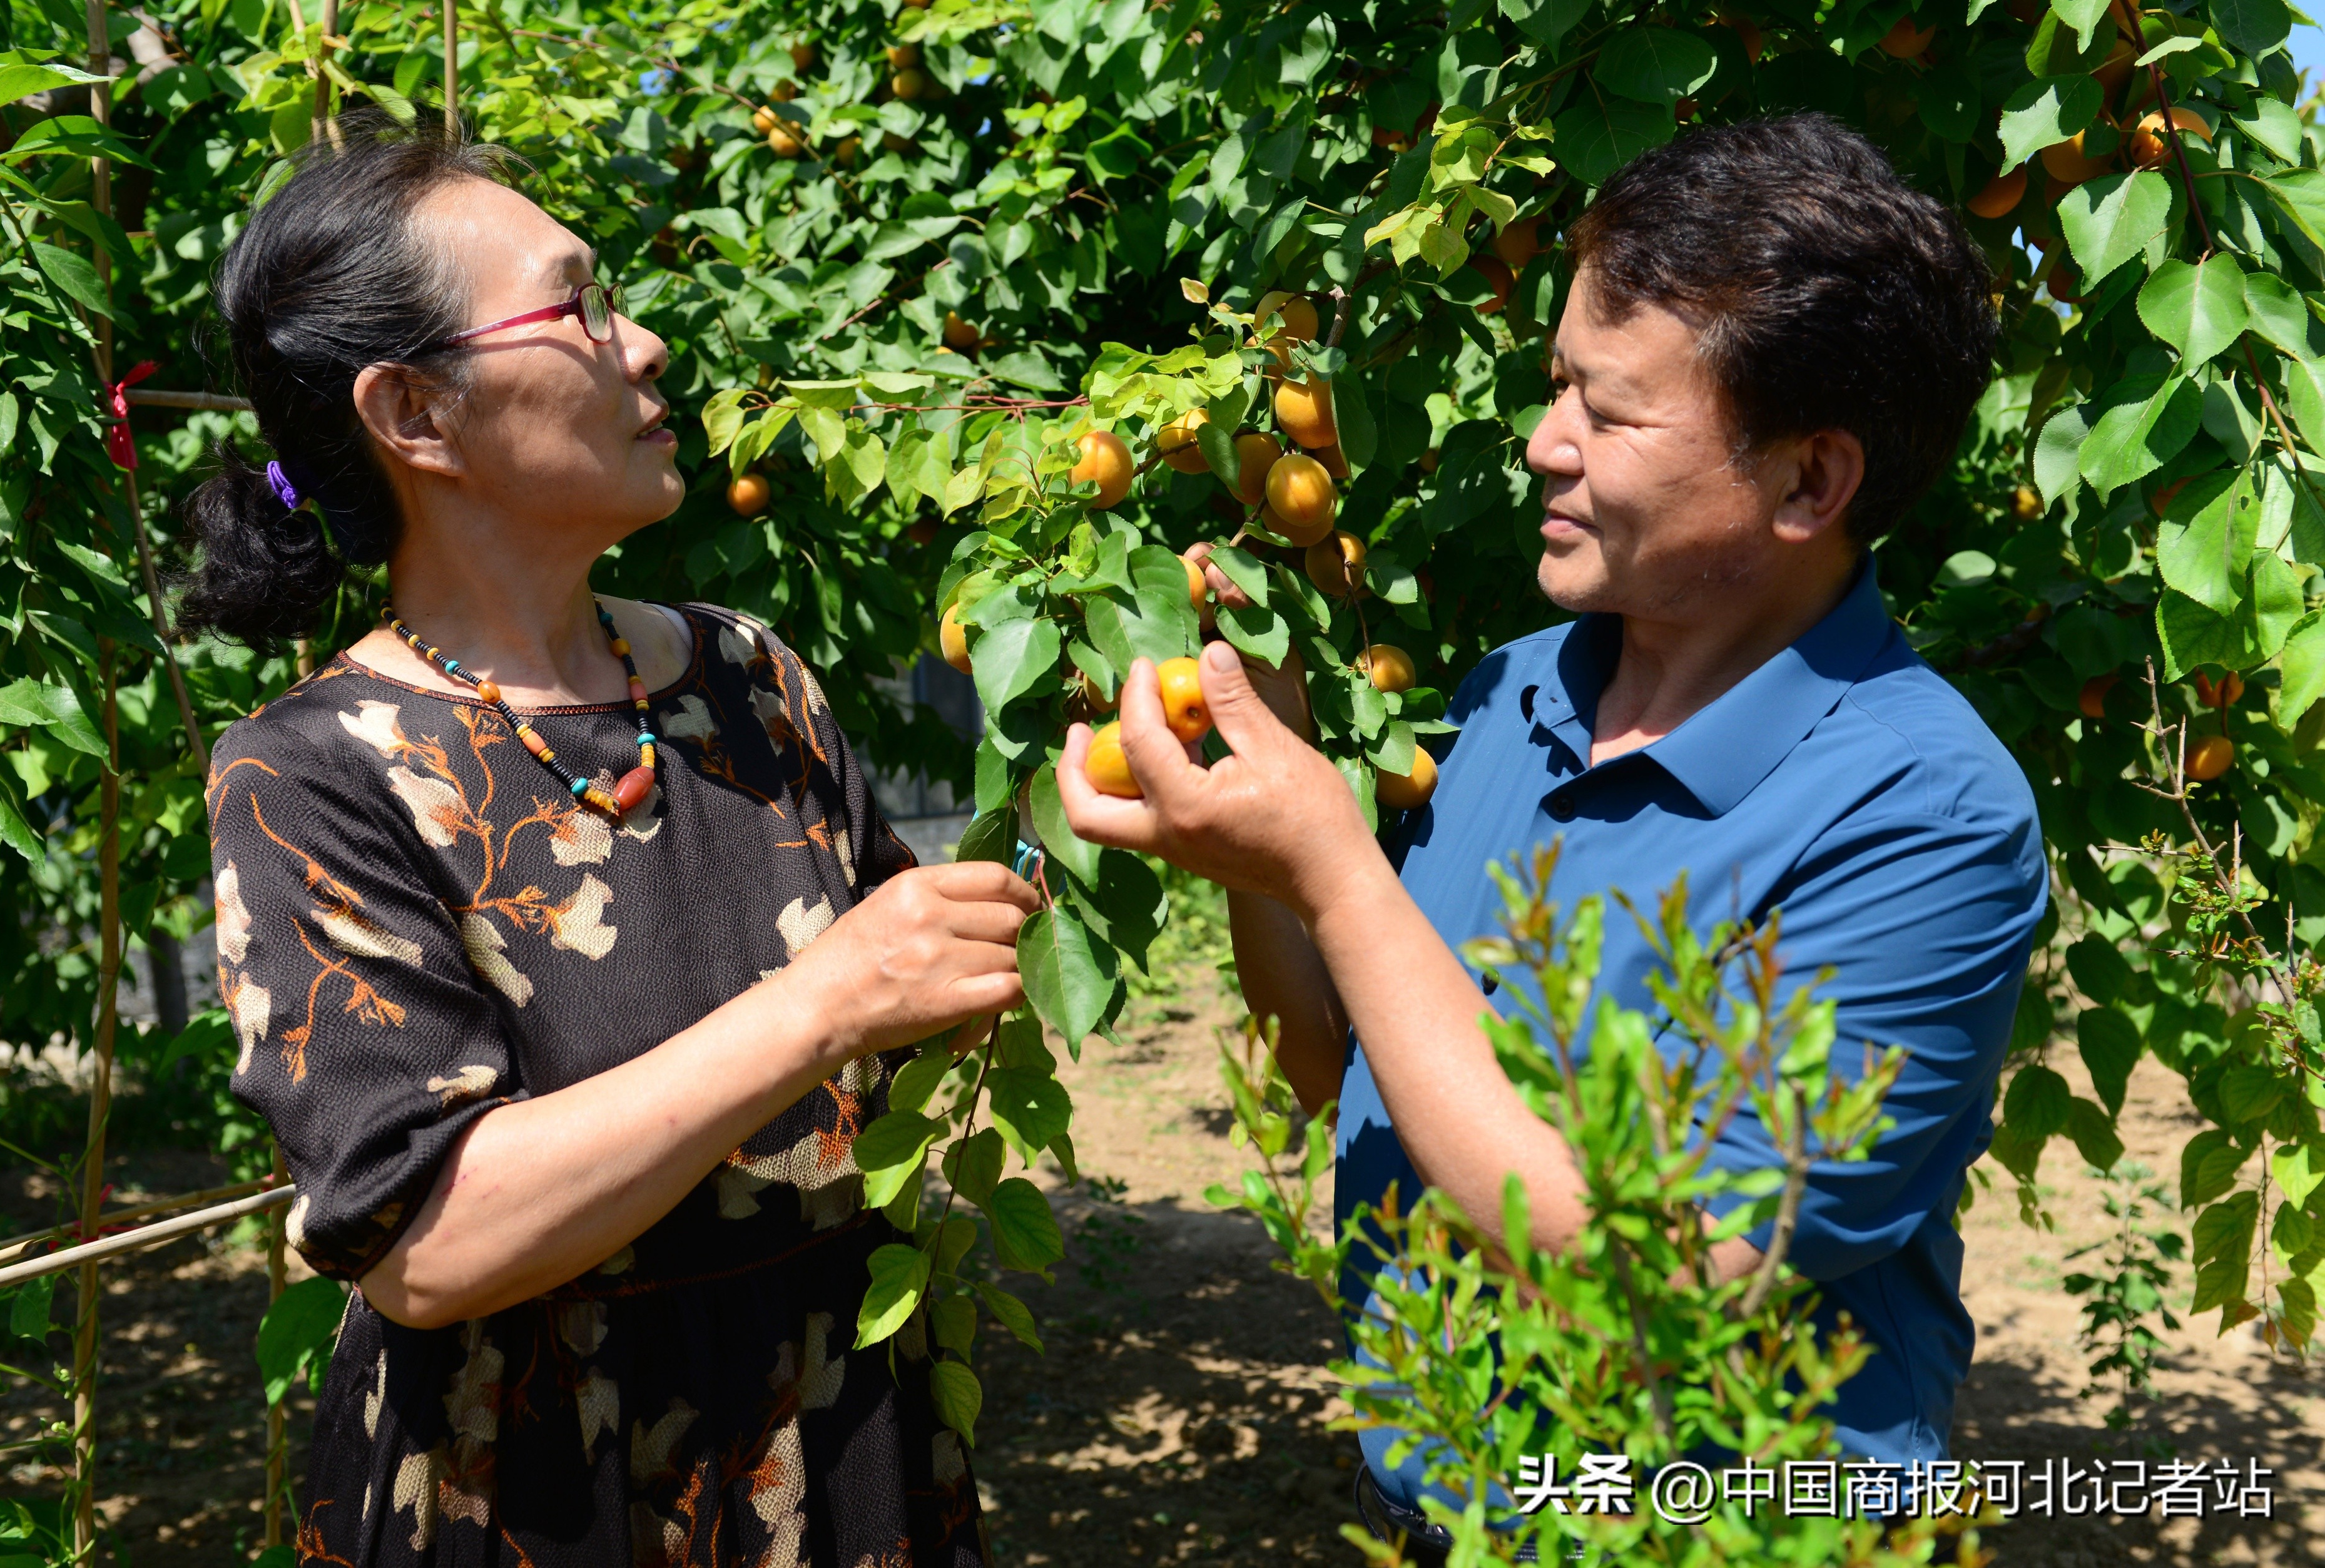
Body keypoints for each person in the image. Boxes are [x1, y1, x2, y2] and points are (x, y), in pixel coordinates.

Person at [1056, 115, 2047, 1557]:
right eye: (1556, 385)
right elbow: (1349, 1067)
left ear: (1808, 482)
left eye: (1613, 411)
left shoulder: (1921, 815)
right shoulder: (1517, 691)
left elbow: (1661, 1282)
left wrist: (1334, 858)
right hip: (1431, 1496)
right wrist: (1265, 836)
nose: (1545, 442)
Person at [184, 109, 1034, 1567]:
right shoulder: (310, 776)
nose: (641, 345)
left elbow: (901, 1027)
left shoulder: (746, 675)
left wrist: (1083, 824)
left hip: (835, 1446)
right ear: (415, 415)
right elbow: (428, 1240)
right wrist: (824, 998)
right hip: (541, 1496)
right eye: (577, 307)